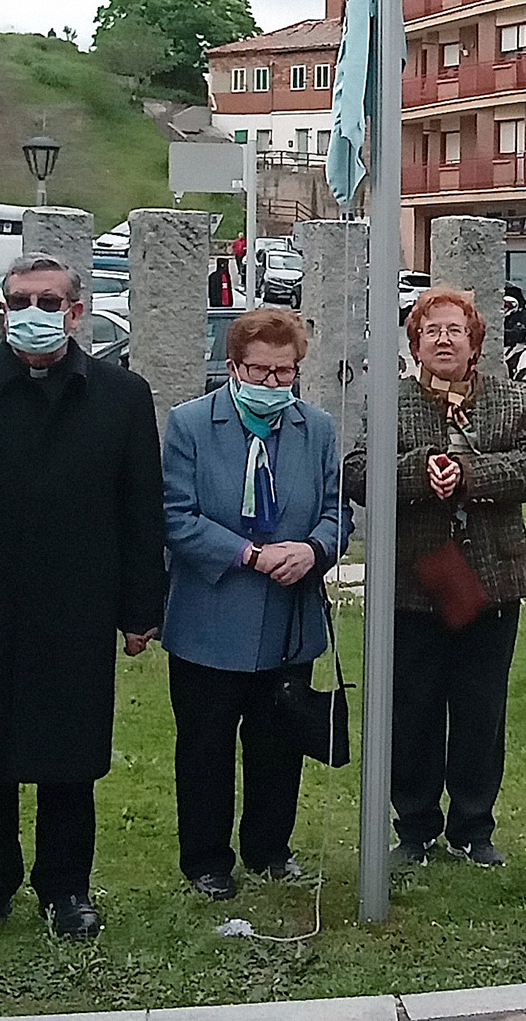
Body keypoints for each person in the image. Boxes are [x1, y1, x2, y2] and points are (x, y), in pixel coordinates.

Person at [0, 253, 167, 945]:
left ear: (76, 312)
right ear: (4, 309)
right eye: (21, 300)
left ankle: (67, 888)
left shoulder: (120, 395)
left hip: (78, 604)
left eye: (49, 300)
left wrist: (141, 610)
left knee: (71, 755)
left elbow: (141, 511)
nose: (34, 312)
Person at [345, 287, 526, 869]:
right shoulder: (389, 402)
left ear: (475, 342)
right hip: (414, 581)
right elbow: (359, 471)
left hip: (492, 580)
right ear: (415, 343)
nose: (442, 339)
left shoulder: (512, 401)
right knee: (411, 708)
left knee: (480, 708)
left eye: (454, 330)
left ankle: (473, 827)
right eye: (430, 330)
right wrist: (419, 473)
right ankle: (413, 828)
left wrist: (468, 473)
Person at [160, 308, 353, 900]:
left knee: (277, 746)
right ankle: (207, 861)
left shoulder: (315, 428)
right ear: (233, 367)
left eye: (284, 373)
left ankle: (271, 848)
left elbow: (337, 509)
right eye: (260, 372)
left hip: (288, 621)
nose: (272, 384)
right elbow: (175, 514)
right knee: (206, 747)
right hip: (209, 617)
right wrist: (246, 554)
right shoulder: (190, 424)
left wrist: (314, 548)